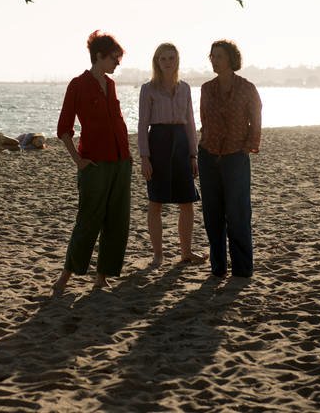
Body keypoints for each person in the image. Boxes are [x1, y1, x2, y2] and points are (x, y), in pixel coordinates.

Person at [52, 31, 132, 295]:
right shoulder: (77, 85)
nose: (117, 63)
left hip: (121, 161)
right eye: (114, 58)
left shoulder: (111, 85)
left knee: (117, 221)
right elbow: (64, 128)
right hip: (94, 164)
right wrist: (78, 160)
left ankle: (101, 276)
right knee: (88, 220)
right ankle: (66, 275)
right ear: (99, 56)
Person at [197, 39, 262, 280]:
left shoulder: (247, 88)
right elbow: (204, 120)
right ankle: (218, 267)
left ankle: (242, 269)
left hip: (236, 156)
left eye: (219, 56)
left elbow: (256, 120)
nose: (214, 60)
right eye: (212, 56)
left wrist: (248, 147)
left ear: (231, 59)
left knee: (238, 214)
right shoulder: (206, 88)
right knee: (212, 214)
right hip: (209, 155)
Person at [138, 43, 207, 267]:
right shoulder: (148, 89)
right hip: (157, 142)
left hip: (181, 144)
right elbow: (142, 125)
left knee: (187, 201)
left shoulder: (185, 88)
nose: (168, 62)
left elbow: (191, 122)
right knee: (155, 201)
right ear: (157, 62)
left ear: (177, 60)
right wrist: (144, 157)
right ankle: (158, 254)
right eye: (163, 59)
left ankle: (186, 252)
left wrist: (193, 155)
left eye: (171, 58)